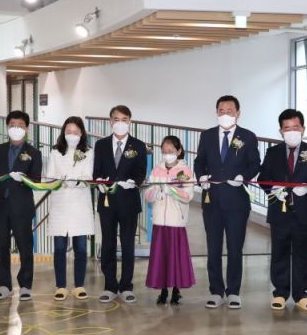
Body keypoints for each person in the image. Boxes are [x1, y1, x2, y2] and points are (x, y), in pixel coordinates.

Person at [193, 95, 261, 310]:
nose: (225, 114)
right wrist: (201, 177)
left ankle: (233, 291)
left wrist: (244, 177)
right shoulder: (207, 135)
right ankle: (216, 291)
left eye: (229, 111)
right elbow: (199, 161)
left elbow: (255, 163)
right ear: (216, 112)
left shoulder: (247, 136)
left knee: (235, 248)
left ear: (237, 113)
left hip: (237, 202)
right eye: (221, 110)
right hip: (212, 200)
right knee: (213, 248)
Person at [258, 109, 307, 312]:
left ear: (303, 129)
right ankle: (280, 292)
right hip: (279, 211)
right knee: (279, 252)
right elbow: (263, 179)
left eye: (295, 127)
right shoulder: (273, 153)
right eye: (287, 128)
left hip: (305, 211)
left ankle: (301, 294)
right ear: (281, 131)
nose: (291, 131)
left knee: (303, 253)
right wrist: (272, 189)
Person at [0, 110, 42, 301]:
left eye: (20, 125)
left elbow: (37, 180)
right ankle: (4, 285)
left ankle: (25, 285)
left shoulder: (34, 153)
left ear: (27, 129)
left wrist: (24, 179)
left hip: (22, 207)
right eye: (12, 125)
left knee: (25, 246)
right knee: (2, 246)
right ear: (7, 127)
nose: (15, 128)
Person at [92, 105, 147, 304]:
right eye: (116, 119)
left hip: (129, 202)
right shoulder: (101, 145)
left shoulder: (138, 145)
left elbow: (141, 172)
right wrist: (99, 182)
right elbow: (96, 171)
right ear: (110, 122)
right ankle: (109, 286)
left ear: (129, 121)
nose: (120, 123)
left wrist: (134, 181)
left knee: (127, 244)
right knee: (108, 243)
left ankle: (126, 286)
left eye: (124, 119)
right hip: (107, 201)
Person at [45, 116, 95, 301]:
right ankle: (60, 286)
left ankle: (79, 285)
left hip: (80, 204)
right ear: (63, 132)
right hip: (60, 204)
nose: (72, 135)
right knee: (59, 248)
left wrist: (77, 181)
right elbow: (50, 176)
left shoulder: (88, 152)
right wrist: (62, 180)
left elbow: (88, 175)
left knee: (80, 248)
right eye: (68, 132)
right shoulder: (55, 152)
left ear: (81, 133)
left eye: (75, 132)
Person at [144, 136, 197, 306]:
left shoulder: (185, 171)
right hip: (160, 221)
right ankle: (163, 290)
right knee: (161, 257)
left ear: (178, 151)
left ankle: (176, 290)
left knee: (175, 257)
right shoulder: (156, 170)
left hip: (176, 221)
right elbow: (147, 195)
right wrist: (157, 192)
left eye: (171, 151)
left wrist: (171, 190)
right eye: (164, 151)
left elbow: (188, 195)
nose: (167, 154)